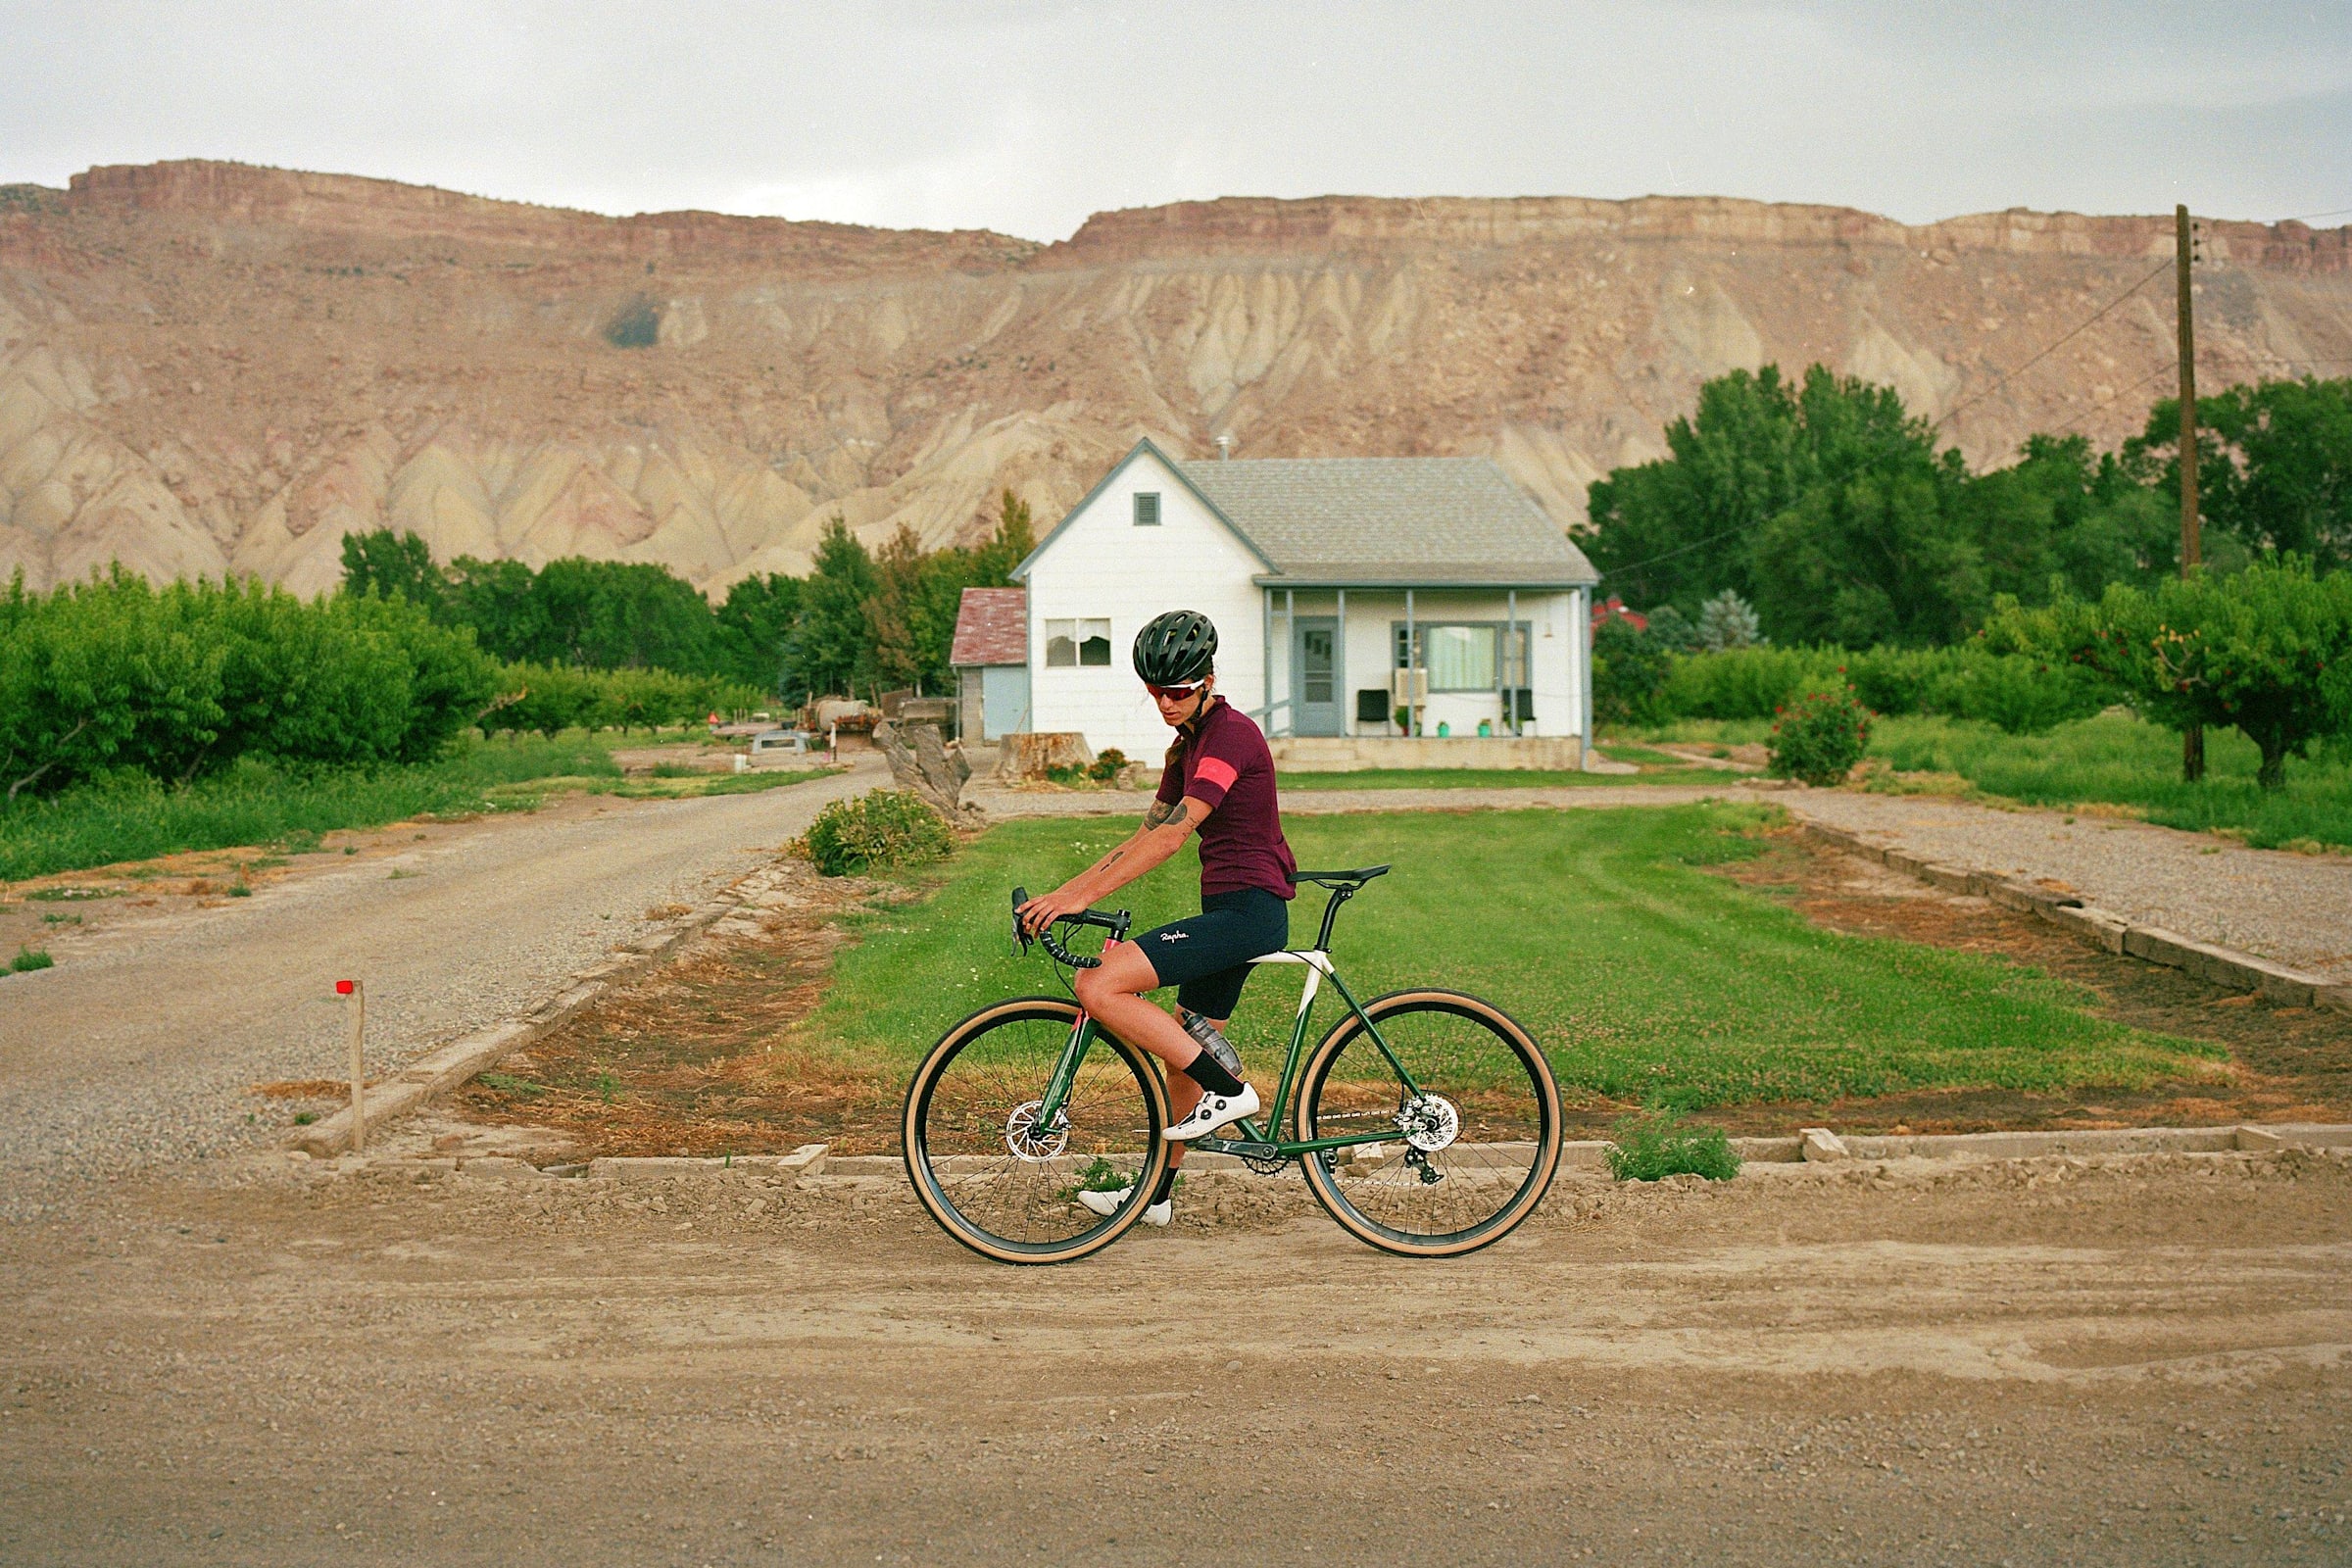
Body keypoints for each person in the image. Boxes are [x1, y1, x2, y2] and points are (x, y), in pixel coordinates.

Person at [1016, 609, 1298, 1226]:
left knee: (1100, 982)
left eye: (1177, 691)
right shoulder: (1186, 748)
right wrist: (1064, 893)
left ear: (1206, 680)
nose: (1165, 702)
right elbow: (1140, 835)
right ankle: (1157, 1199)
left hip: (1251, 913)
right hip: (1228, 910)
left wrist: (1081, 898)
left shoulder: (1231, 737)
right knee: (1181, 1045)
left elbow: (1172, 837)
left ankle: (1231, 1093)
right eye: (1155, 691)